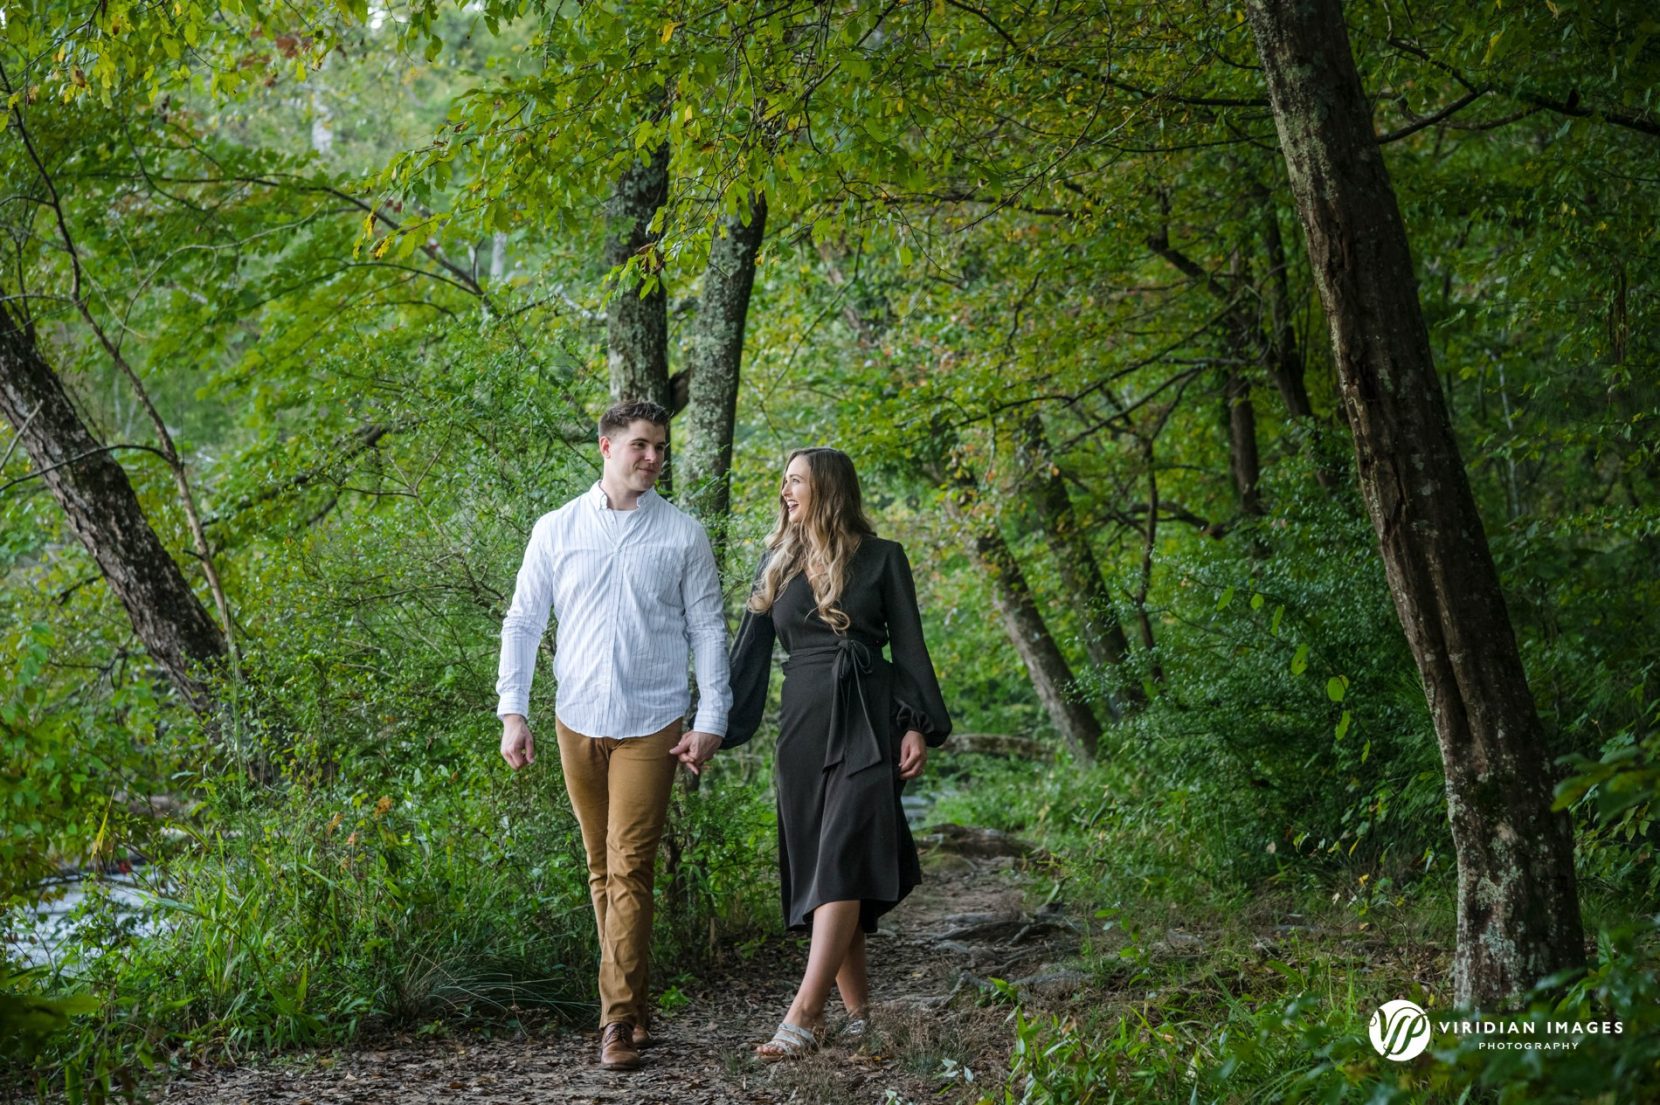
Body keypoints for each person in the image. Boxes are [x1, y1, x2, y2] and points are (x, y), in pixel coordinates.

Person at [495, 399, 730, 1072]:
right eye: (641, 445)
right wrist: (515, 710)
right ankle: (630, 1000)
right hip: (577, 719)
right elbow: (522, 620)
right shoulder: (557, 528)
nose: (654, 457)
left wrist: (711, 715)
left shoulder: (682, 535)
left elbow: (709, 629)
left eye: (660, 446)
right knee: (601, 869)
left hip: (651, 721)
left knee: (629, 866)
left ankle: (618, 1022)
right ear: (606, 447)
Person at [724, 446, 951, 1059]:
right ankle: (861, 1019)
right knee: (826, 867)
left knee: (842, 858)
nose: (785, 491)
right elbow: (745, 658)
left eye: (796, 481)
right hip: (801, 726)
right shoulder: (777, 562)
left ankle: (804, 1014)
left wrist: (915, 725)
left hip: (869, 723)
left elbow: (910, 648)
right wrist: (709, 725)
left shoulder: (883, 558)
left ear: (827, 488)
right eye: (784, 481)